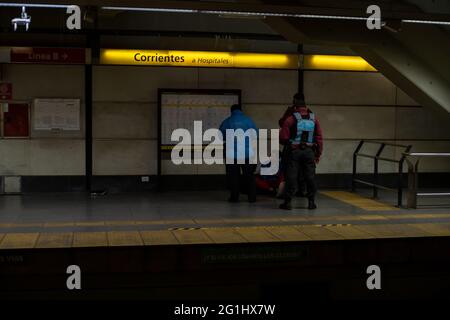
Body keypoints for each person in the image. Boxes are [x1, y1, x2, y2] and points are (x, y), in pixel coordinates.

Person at [279, 93, 323, 210]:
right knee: (310, 176)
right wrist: (318, 153)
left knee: (291, 176)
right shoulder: (314, 118)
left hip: (294, 152)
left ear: (295, 105)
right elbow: (319, 137)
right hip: (309, 151)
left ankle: (288, 202)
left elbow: (283, 137)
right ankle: (311, 202)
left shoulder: (291, 118)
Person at [219, 104, 258, 203]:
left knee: (233, 176)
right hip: (248, 153)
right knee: (249, 175)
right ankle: (252, 198)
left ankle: (234, 197)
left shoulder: (227, 122)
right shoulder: (249, 121)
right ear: (241, 110)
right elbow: (256, 134)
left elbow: (220, 136)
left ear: (231, 111)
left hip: (232, 154)